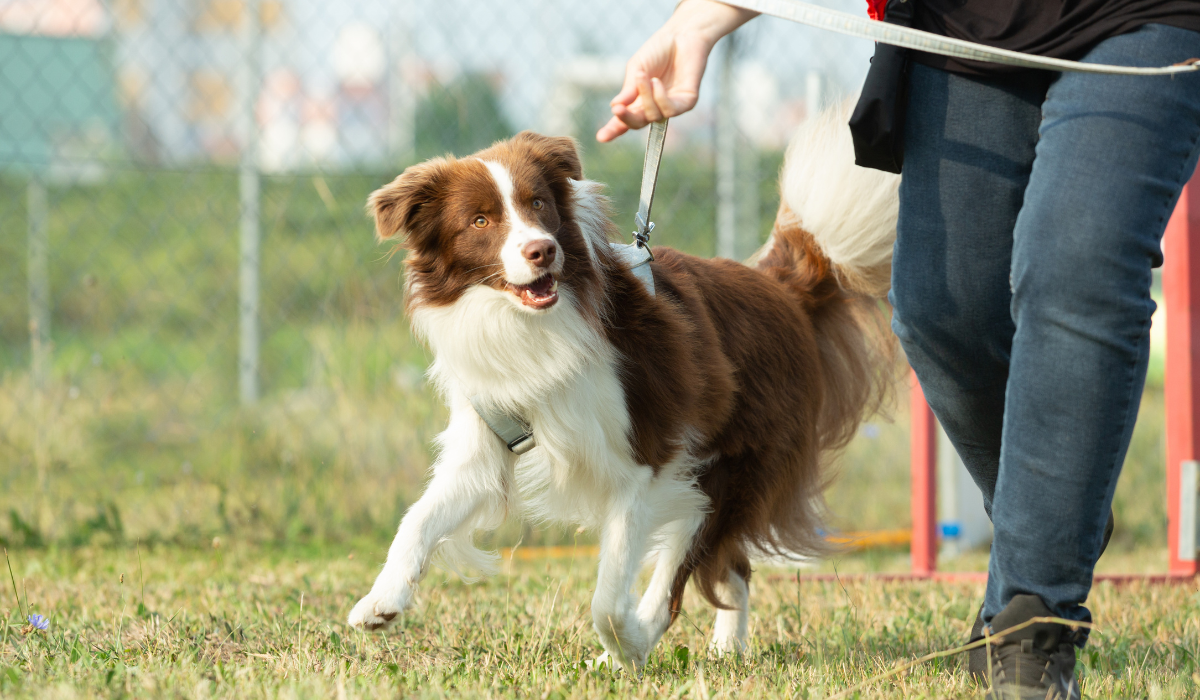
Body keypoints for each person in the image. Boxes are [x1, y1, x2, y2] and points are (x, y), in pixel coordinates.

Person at [598, 1, 1200, 698]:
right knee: (940, 309)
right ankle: (1055, 511)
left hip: (1150, 18)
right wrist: (700, 21)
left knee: (1077, 266)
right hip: (968, 25)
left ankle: (1033, 624)